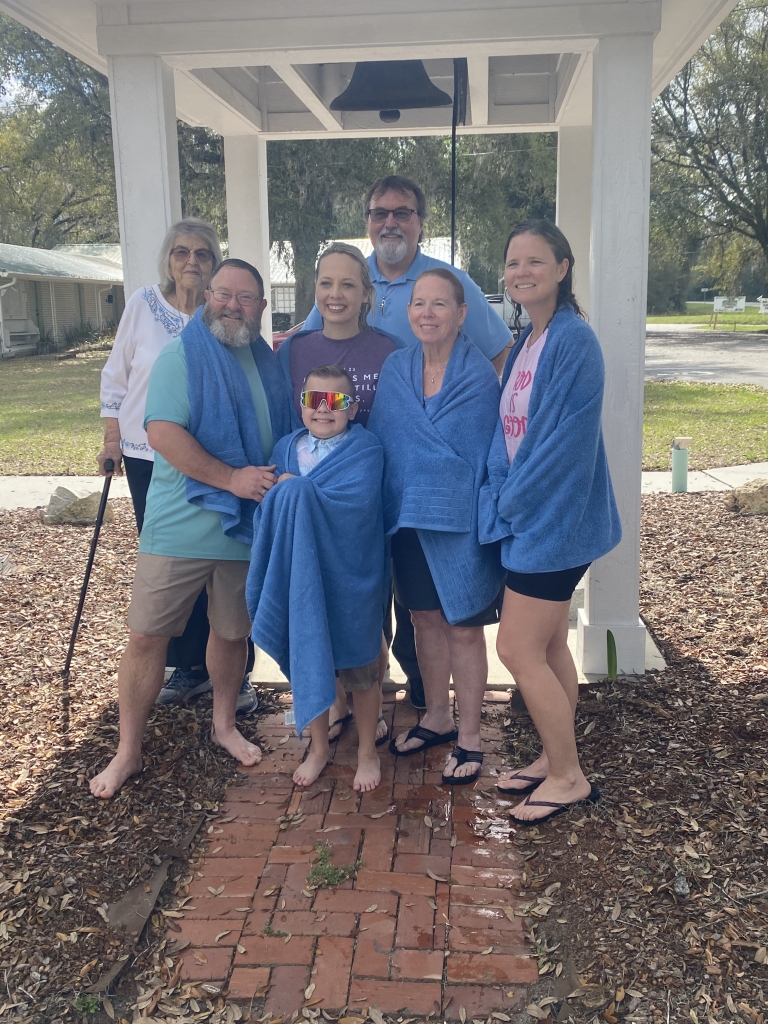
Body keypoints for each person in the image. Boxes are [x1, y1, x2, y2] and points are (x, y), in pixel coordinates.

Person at [303, 177, 513, 710]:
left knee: (450, 617)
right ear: (368, 220)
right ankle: (363, 703)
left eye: (403, 212)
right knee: (379, 599)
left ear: (420, 221)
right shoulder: (349, 276)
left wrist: (460, 406)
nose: (391, 222)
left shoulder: (449, 279)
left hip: (439, 491)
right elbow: (312, 348)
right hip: (364, 473)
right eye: (380, 213)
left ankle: (430, 699)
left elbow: (498, 350)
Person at [89, 259, 292, 799]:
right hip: (179, 526)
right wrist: (232, 479)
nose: (231, 305)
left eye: (244, 298)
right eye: (222, 294)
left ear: (261, 307)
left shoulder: (268, 363)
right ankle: (128, 751)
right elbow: (161, 434)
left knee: (231, 632)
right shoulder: (181, 355)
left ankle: (224, 725)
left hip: (242, 524)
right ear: (207, 297)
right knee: (147, 636)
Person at [479, 220, 622, 824]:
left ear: (562, 269)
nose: (522, 272)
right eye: (513, 262)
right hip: (531, 516)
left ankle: (568, 777)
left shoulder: (574, 342)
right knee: (550, 644)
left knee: (515, 647)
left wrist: (509, 501)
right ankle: (552, 757)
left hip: (555, 523)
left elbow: (564, 447)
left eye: (535, 261)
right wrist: (497, 488)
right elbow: (506, 429)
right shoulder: (528, 341)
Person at [97, 220, 259, 714]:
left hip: (218, 460)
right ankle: (188, 666)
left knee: (226, 575)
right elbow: (117, 374)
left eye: (202, 253)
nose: (192, 260)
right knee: (174, 570)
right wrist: (111, 440)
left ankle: (229, 674)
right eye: (182, 252)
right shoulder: (143, 305)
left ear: (214, 265)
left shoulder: (227, 322)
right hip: (150, 458)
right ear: (169, 259)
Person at [368, 269, 504, 785]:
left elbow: (478, 453)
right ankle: (438, 717)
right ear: (409, 313)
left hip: (460, 522)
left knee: (464, 629)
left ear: (461, 313)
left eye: (439, 304)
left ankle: (470, 737)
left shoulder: (477, 376)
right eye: (419, 303)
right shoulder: (396, 367)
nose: (427, 313)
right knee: (423, 620)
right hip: (406, 516)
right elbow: (390, 440)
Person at [278, 242, 401, 742]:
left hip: (364, 501)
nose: (336, 293)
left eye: (348, 284)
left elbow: (400, 425)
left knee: (365, 604)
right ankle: (333, 701)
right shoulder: (293, 351)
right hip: (311, 499)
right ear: (315, 289)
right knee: (316, 596)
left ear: (366, 293)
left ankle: (372, 692)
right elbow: (287, 427)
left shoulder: (389, 351)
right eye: (326, 283)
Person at [247, 365, 387, 793]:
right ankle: (320, 747)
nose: (323, 410)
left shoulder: (366, 449)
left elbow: (360, 508)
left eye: (335, 401)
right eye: (314, 400)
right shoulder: (286, 448)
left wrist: (298, 490)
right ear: (301, 404)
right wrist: (289, 491)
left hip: (352, 578)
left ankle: (367, 751)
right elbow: (271, 510)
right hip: (302, 577)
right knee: (309, 654)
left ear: (353, 408)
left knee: (362, 672)